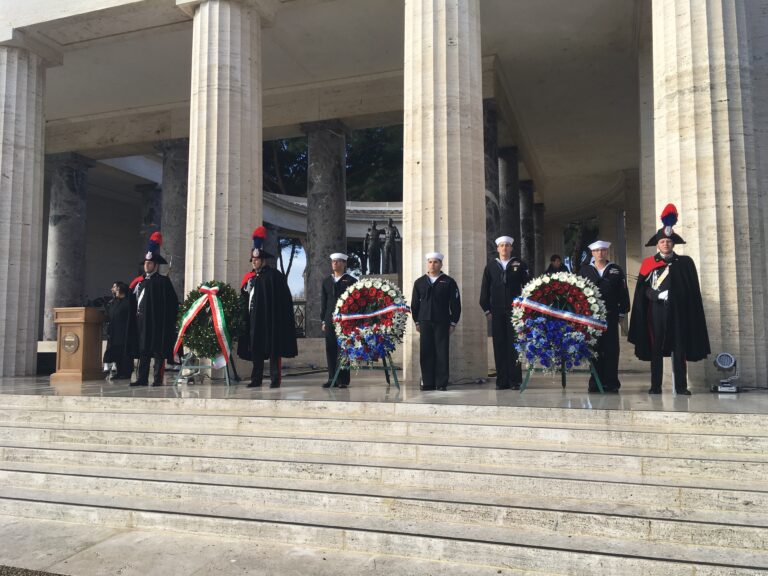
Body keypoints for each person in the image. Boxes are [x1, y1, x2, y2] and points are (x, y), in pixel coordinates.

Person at [628, 204, 710, 395]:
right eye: (662, 241)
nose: (666, 244)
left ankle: (681, 387)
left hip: (679, 312)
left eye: (668, 241)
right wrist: (657, 295)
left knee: (679, 349)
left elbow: (692, 292)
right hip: (657, 312)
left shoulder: (685, 263)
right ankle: (655, 386)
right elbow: (643, 291)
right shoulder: (649, 264)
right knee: (656, 348)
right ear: (657, 244)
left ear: (673, 243)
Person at [237, 226, 298, 388]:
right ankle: (255, 379)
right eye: (253, 260)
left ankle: (275, 379)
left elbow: (283, 300)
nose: (254, 261)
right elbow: (245, 298)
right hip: (253, 320)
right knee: (255, 349)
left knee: (273, 350)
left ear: (263, 259)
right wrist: (245, 290)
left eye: (256, 259)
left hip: (269, 320)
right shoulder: (251, 277)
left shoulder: (274, 276)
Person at [578, 240, 630, 392]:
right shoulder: (585, 270)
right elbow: (578, 293)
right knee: (594, 349)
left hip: (610, 316)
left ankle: (611, 383)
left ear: (606, 252)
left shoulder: (616, 270)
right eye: (597, 251)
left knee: (611, 350)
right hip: (591, 319)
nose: (600, 253)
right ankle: (595, 382)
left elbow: (623, 292)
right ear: (592, 253)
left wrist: (622, 311)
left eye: (603, 250)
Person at [480, 236, 530, 390]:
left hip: (515, 312)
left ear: (511, 248)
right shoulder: (490, 267)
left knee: (514, 344)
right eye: (501, 246)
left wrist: (525, 309)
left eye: (507, 245)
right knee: (499, 344)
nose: (504, 248)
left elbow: (528, 287)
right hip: (496, 312)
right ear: (497, 248)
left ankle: (515, 380)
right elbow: (484, 291)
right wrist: (487, 309)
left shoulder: (520, 265)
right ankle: (502, 380)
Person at [130, 232, 179, 387]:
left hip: (157, 322)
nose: (146, 265)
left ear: (155, 265)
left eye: (150, 263)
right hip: (143, 322)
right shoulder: (141, 282)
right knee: (143, 351)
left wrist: (167, 321)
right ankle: (142, 378)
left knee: (158, 351)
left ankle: (157, 379)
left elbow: (172, 303)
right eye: (145, 263)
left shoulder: (163, 282)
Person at [411, 252, 461, 391]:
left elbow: (455, 304)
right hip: (425, 321)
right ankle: (428, 382)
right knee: (426, 352)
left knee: (441, 352)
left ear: (441, 264)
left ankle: (441, 383)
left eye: (436, 262)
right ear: (427, 264)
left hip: (442, 321)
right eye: (430, 262)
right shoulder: (420, 282)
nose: (433, 265)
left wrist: (453, 322)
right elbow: (415, 304)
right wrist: (417, 321)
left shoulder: (449, 281)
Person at [320, 252, 357, 388]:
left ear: (344, 264)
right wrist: (323, 320)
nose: (335, 263)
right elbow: (324, 302)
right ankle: (331, 378)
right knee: (330, 348)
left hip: (345, 319)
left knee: (343, 348)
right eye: (333, 261)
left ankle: (343, 379)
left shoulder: (351, 281)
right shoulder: (326, 281)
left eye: (338, 261)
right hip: (330, 319)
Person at [103, 281, 137, 380]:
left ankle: (126, 373)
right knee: (117, 352)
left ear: (121, 288)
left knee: (125, 352)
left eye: (115, 287)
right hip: (114, 331)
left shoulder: (129, 301)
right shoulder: (115, 302)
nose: (113, 290)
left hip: (125, 331)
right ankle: (119, 372)